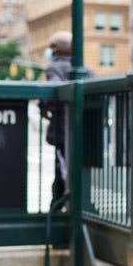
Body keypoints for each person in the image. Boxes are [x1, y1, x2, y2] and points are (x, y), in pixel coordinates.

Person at [43, 31, 92, 203]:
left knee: (63, 170)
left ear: (57, 50)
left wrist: (44, 108)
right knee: (79, 170)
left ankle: (61, 206)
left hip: (63, 132)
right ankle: (77, 204)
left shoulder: (53, 68)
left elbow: (50, 94)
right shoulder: (87, 71)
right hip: (85, 130)